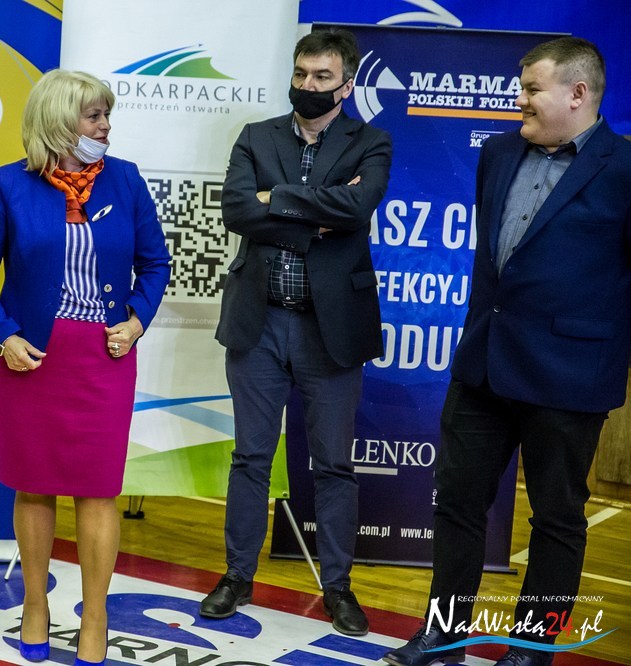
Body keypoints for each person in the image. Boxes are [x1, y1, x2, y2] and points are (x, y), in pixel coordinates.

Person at [383, 36, 631, 666]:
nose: (517, 100)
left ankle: (531, 649)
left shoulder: (625, 168)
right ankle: (443, 634)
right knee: (457, 505)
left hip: (570, 377)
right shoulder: (497, 152)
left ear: (577, 94)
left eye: (531, 89)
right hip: (484, 366)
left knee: (557, 519)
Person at [0, 69, 171, 666]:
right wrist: (3, 336)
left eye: (106, 115)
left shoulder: (125, 180)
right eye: (93, 116)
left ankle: (94, 616)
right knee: (34, 485)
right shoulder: (10, 186)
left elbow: (155, 263)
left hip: (104, 358)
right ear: (57, 122)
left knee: (98, 492)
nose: (105, 126)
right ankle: (35, 605)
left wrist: (136, 320)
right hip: (32, 360)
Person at [203, 28, 392, 636]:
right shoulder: (256, 136)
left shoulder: (372, 142)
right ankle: (237, 576)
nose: (308, 85)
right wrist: (317, 213)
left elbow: (358, 210)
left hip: (329, 330)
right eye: (301, 74)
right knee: (250, 458)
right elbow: (236, 210)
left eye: (322, 77)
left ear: (347, 84)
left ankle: (338, 586)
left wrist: (276, 200)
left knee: (333, 465)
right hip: (258, 325)